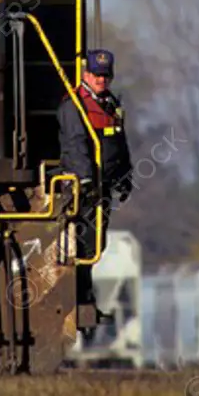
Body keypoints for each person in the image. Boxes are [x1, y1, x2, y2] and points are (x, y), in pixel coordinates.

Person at [56, 49, 134, 317]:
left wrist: (125, 177)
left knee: (95, 245)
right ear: (85, 74)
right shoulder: (73, 105)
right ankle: (77, 299)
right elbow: (75, 144)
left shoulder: (110, 103)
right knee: (81, 243)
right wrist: (85, 179)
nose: (101, 80)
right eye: (96, 75)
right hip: (84, 189)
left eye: (106, 75)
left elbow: (119, 144)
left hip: (104, 187)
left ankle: (85, 296)